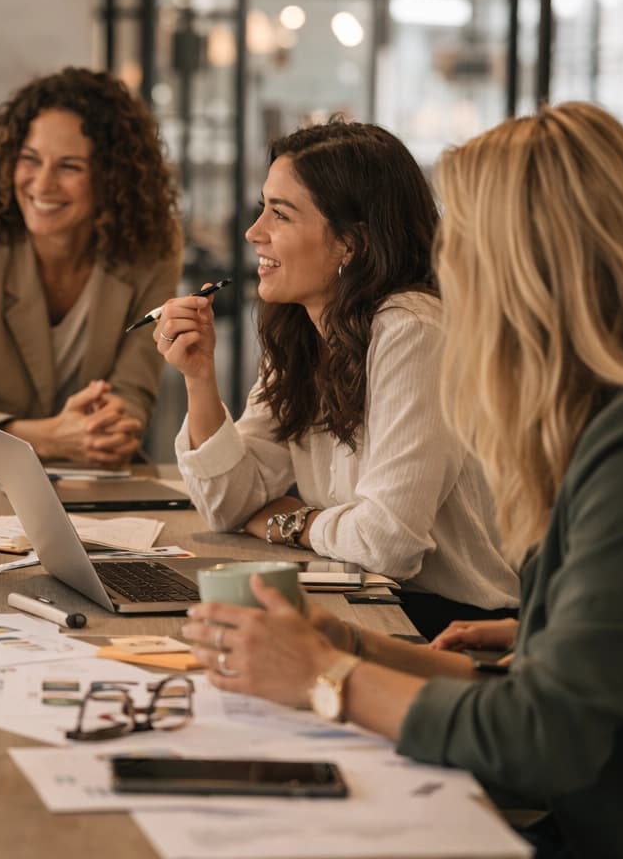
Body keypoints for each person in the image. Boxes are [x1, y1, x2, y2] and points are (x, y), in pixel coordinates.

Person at [179, 102, 623, 859]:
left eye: (467, 243)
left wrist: (326, 674)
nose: (446, 267)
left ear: (535, 265)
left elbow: (539, 739)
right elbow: (534, 693)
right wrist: (346, 642)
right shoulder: (605, 424)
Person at [155, 119, 518, 637]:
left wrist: (289, 521)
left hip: (448, 623)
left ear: (351, 243)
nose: (253, 232)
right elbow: (228, 504)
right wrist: (198, 378)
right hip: (364, 594)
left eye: (280, 214)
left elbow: (388, 542)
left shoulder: (413, 329)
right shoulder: (304, 327)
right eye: (263, 207)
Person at [0, 67, 184, 466]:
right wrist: (50, 438)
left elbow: (133, 393)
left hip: (87, 477)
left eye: (69, 167)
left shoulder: (152, 254)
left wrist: (109, 429)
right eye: (30, 159)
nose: (43, 184)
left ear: (114, 179)